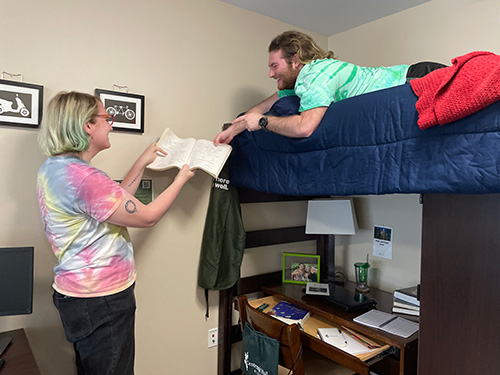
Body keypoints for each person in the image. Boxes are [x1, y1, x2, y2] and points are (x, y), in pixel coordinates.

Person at [36, 91, 195, 375]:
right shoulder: (86, 178)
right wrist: (180, 179)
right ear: (87, 126)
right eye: (107, 118)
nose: (111, 124)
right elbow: (147, 217)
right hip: (102, 300)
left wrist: (142, 161)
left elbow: (117, 200)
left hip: (76, 295)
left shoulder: (56, 169)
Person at [213, 30, 445, 144]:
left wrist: (263, 123)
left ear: (295, 60)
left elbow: (305, 127)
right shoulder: (304, 76)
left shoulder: (313, 78)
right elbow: (265, 105)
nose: (271, 74)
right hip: (414, 76)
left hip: (414, 81)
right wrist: (236, 127)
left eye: (275, 66)